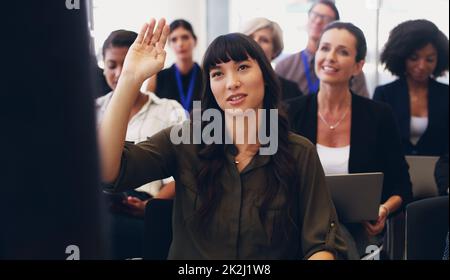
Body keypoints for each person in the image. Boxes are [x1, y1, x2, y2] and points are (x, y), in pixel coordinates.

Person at [99, 18, 349, 259]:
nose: (232, 83)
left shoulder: (299, 152)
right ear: (210, 86)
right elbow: (108, 171)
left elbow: (321, 243)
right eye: (218, 74)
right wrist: (130, 78)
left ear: (265, 74)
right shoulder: (185, 140)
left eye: (242, 67)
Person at [287, 21, 412, 258]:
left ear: (358, 66)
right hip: (301, 229)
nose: (330, 57)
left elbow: (402, 186)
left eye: (342, 52)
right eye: (324, 48)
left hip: (360, 230)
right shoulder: (289, 112)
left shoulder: (379, 115)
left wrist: (383, 209)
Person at [97, 29, 186, 259]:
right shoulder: (91, 111)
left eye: (125, 64)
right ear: (102, 66)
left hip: (148, 208)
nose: (119, 73)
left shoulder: (170, 111)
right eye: (111, 65)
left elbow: (185, 173)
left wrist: (151, 206)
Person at [373, 20, 449, 156]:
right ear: (402, 57)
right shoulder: (384, 94)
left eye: (430, 59)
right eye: (414, 58)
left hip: (440, 174)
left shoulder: (446, 94)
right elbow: (377, 141)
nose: (421, 66)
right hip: (395, 172)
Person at [275, 0, 368, 97]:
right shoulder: (284, 66)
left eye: (326, 19)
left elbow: (363, 106)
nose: (318, 21)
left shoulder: (352, 70)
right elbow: (271, 108)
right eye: (314, 15)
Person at [146, 19, 202, 112]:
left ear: (195, 41)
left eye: (185, 37)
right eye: (174, 39)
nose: (180, 44)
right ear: (169, 44)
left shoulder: (206, 76)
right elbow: (147, 111)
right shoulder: (157, 77)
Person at [241, 17, 303, 101]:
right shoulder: (227, 84)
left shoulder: (291, 91)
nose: (255, 43)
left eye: (264, 40)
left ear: (275, 51)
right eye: (250, 37)